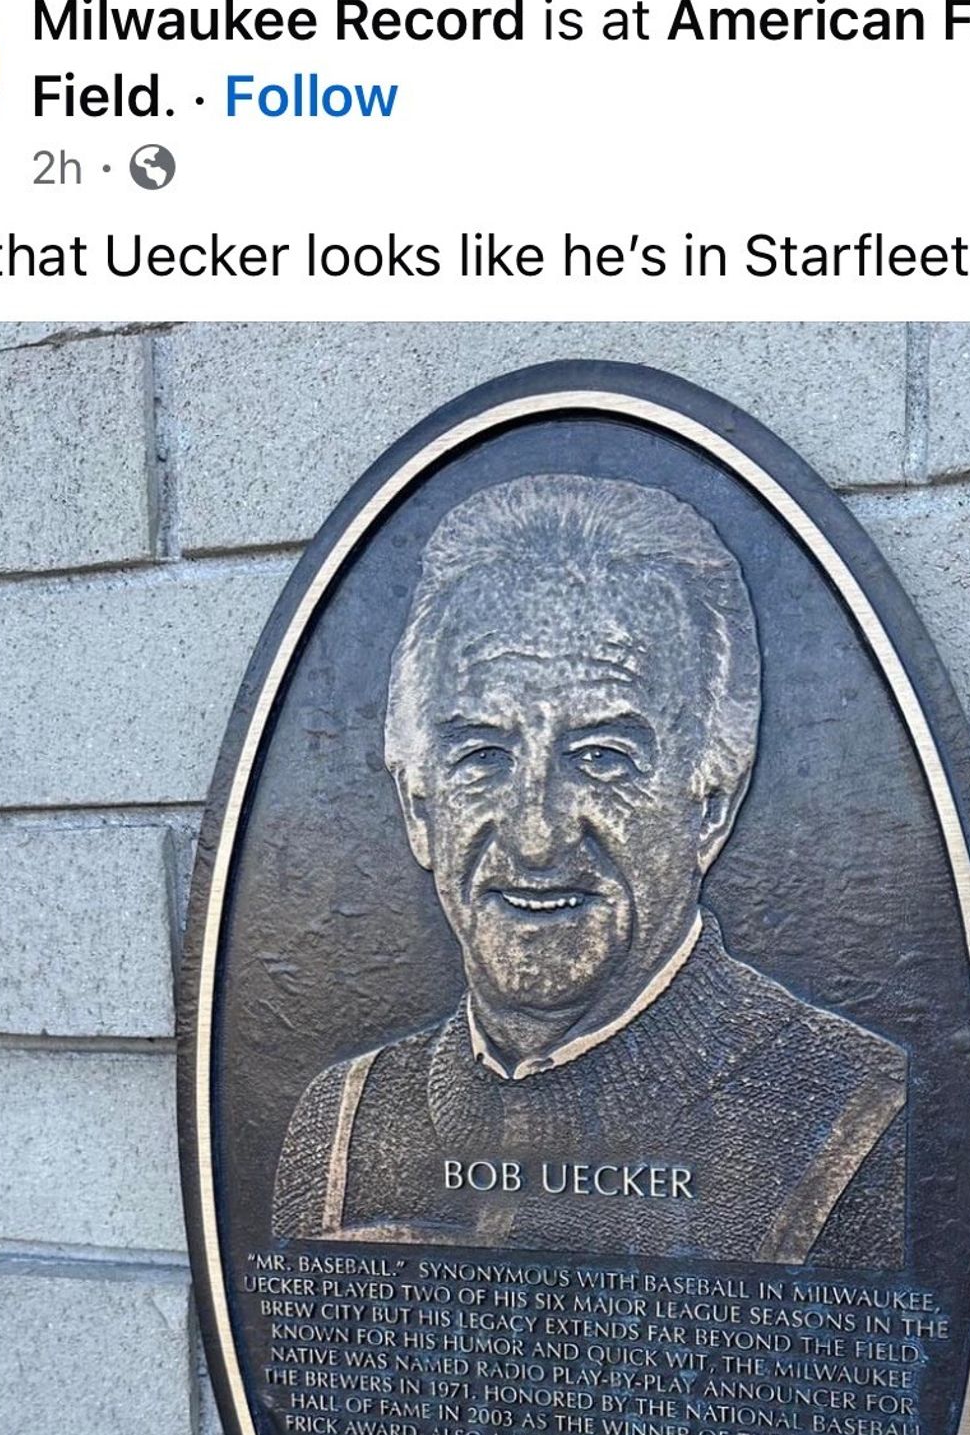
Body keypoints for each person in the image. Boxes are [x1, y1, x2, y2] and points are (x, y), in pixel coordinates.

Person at [273, 472, 908, 1267]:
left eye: (602, 757)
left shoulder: (861, 1132)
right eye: (482, 755)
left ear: (709, 802)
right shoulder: (342, 1128)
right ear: (418, 806)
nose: (536, 835)